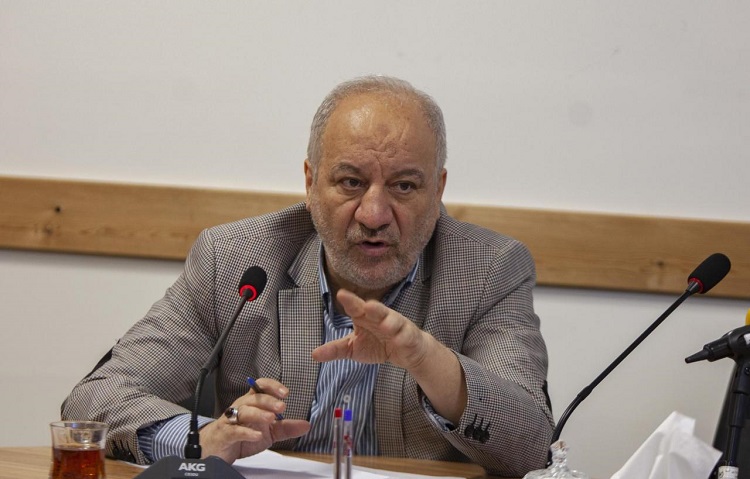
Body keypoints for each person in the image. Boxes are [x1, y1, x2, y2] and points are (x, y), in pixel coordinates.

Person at [62, 75, 553, 476]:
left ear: (439, 189)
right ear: (311, 182)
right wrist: (202, 437)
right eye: (351, 182)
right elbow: (93, 399)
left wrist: (428, 360)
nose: (374, 214)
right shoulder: (235, 260)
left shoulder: (488, 269)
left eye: (404, 186)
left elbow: (531, 445)